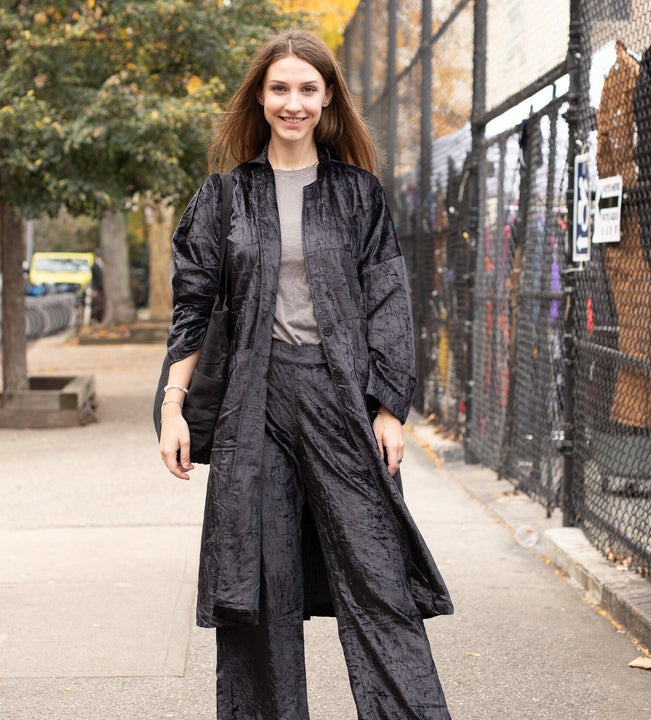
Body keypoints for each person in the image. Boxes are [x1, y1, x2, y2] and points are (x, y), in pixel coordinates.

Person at [159, 29, 454, 720]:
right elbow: (192, 308)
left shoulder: (358, 195)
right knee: (258, 584)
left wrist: (389, 409)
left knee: (377, 575)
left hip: (340, 398)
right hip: (252, 402)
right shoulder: (224, 198)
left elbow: (388, 302)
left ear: (327, 100)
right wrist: (174, 406)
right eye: (280, 88)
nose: (293, 103)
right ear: (260, 98)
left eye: (307, 89)